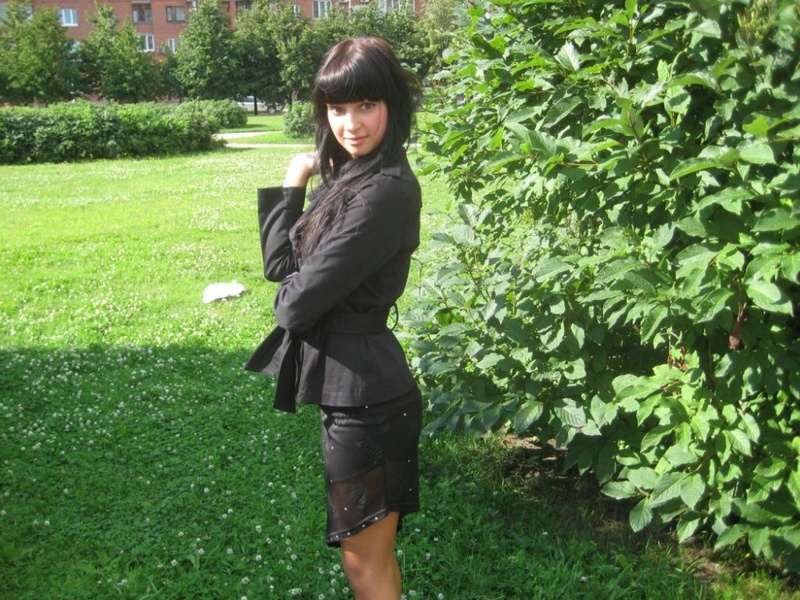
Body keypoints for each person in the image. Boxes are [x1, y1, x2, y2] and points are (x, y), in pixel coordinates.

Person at [244, 37, 422, 599]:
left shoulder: (383, 193)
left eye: (366, 105)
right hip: (356, 394)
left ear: (392, 104)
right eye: (337, 108)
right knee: (369, 556)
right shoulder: (353, 177)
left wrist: (296, 290)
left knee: (364, 562)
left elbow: (293, 304)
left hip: (369, 403)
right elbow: (280, 267)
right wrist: (295, 180)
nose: (350, 124)